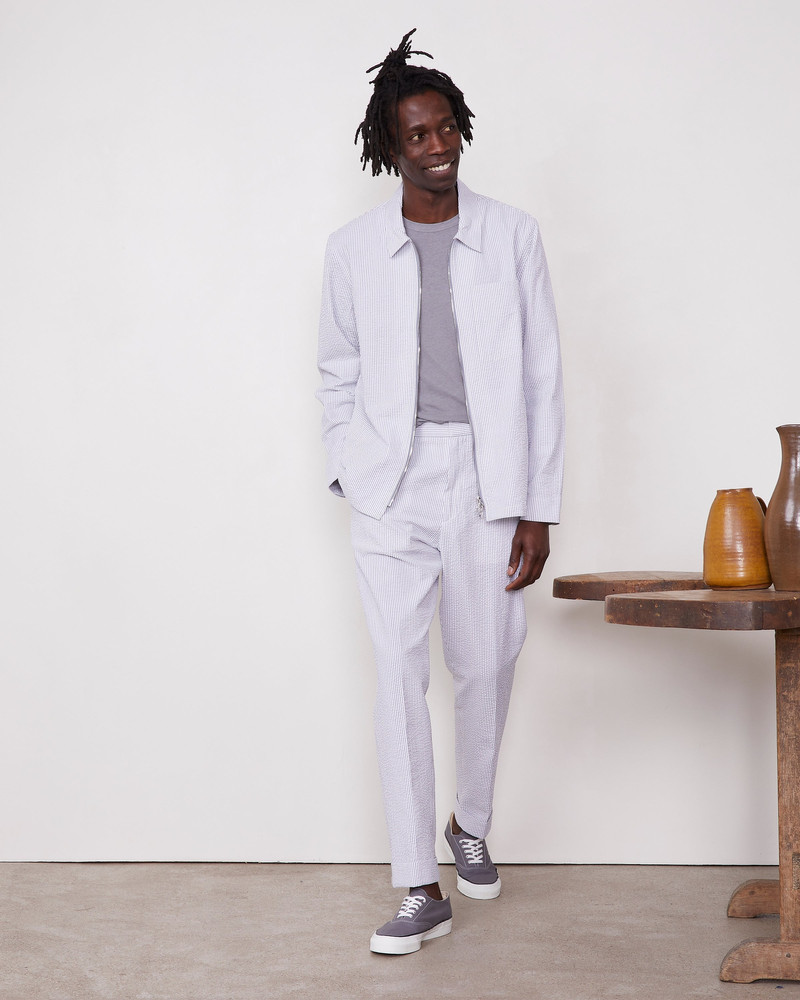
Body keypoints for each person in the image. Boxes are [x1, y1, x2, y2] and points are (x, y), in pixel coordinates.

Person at [316, 28, 564, 955]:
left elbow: (541, 375)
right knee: (397, 673)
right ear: (390, 147)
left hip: (488, 476)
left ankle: (470, 823)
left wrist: (537, 505)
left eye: (445, 127)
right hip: (390, 481)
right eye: (416, 134)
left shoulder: (512, 235)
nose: (437, 146)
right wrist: (350, 465)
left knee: (488, 660)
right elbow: (336, 367)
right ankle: (419, 883)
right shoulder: (352, 250)